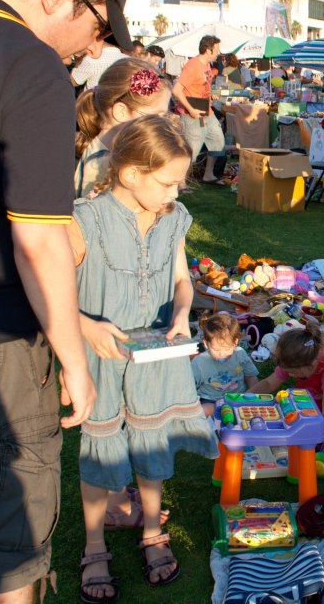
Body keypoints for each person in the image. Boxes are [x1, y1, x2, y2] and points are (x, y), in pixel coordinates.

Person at [0, 0, 132, 600]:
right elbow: (38, 242)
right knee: (5, 557)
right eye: (97, 29)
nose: (92, 50)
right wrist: (74, 357)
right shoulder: (30, 63)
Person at [69, 116, 218, 601]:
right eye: (168, 182)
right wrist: (84, 328)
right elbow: (52, 290)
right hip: (101, 356)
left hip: (156, 353)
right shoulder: (84, 219)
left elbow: (181, 279)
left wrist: (182, 312)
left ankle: (152, 529)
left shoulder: (173, 218)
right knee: (101, 447)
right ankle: (95, 545)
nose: (176, 192)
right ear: (132, 174)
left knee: (153, 442)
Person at [75, 58, 172, 197]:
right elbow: (95, 209)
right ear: (121, 112)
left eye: (164, 115)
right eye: (155, 116)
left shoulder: (115, 151)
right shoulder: (101, 162)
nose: (162, 124)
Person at [250, 323, 324, 434]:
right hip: (311, 404)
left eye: (293, 372)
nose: (289, 375)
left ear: (309, 365)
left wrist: (318, 437)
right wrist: (243, 397)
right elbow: (269, 383)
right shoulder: (295, 359)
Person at [173, 35, 226, 185]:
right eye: (217, 49)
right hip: (192, 115)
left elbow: (202, 87)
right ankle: (180, 182)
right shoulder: (192, 66)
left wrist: (211, 95)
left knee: (217, 142)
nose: (219, 53)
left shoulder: (207, 65)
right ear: (208, 50)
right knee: (192, 150)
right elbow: (176, 90)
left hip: (206, 112)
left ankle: (208, 174)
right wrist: (191, 110)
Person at [192, 312, 260, 418]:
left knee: (253, 410)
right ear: (206, 344)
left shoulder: (240, 354)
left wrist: (252, 395)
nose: (222, 354)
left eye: (227, 349)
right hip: (211, 400)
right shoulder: (199, 362)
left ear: (235, 342)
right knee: (203, 411)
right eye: (216, 349)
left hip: (238, 398)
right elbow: (190, 387)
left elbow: (250, 376)